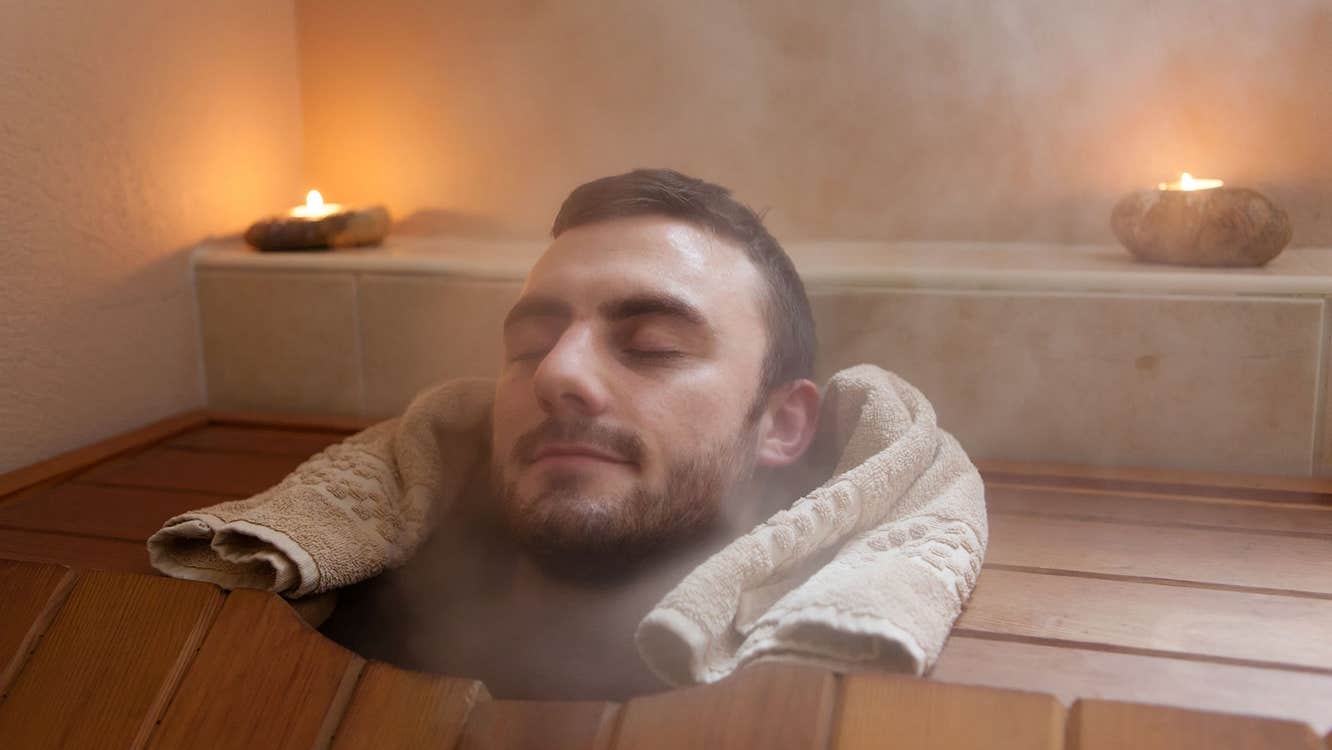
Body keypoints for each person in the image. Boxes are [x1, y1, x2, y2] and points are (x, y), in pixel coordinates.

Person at [320, 168, 826, 700]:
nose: (556, 372)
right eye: (531, 347)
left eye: (653, 346)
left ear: (782, 424)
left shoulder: (825, 688)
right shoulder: (338, 628)